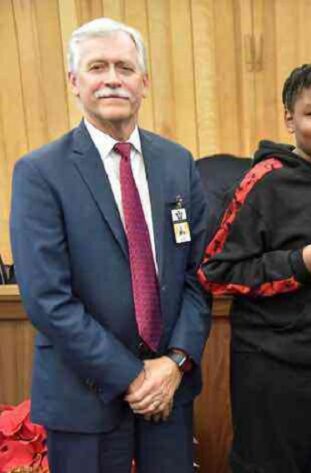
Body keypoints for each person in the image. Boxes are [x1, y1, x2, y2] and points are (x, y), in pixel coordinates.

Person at [9, 17, 210, 473]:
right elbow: (46, 299)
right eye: (98, 67)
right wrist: (134, 376)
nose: (113, 79)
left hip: (169, 395)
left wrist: (174, 364)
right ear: (74, 82)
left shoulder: (178, 162)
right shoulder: (40, 173)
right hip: (84, 398)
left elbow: (199, 276)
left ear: (145, 81)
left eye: (125, 66)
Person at [197, 63, 311, 473]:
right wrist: (297, 265)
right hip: (274, 373)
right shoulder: (264, 180)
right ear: (289, 120)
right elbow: (215, 271)